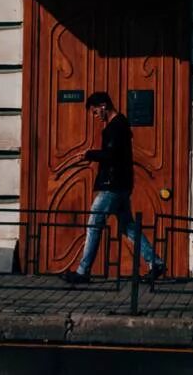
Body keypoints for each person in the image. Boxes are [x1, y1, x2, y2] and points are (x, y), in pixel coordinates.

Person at [60, 91, 165, 283]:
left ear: (103, 106)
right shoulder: (120, 125)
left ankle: (83, 272)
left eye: (94, 112)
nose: (95, 116)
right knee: (128, 227)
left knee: (94, 224)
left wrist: (89, 154)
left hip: (112, 185)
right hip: (122, 184)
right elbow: (115, 154)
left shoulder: (115, 127)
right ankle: (156, 262)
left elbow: (112, 155)